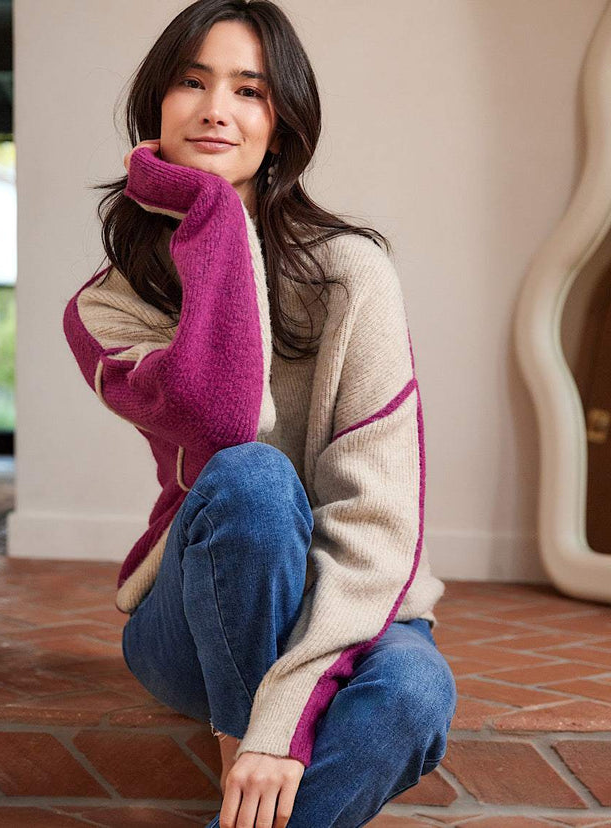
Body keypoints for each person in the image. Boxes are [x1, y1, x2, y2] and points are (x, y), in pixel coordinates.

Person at [62, 1, 457, 826]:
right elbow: (222, 423)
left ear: (279, 127)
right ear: (155, 108)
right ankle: (242, 745)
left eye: (250, 90)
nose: (215, 108)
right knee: (252, 478)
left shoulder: (351, 275)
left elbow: (377, 520)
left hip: (344, 603)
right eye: (192, 82)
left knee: (416, 693)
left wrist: (283, 725)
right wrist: (209, 216)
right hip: (194, 620)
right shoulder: (106, 312)